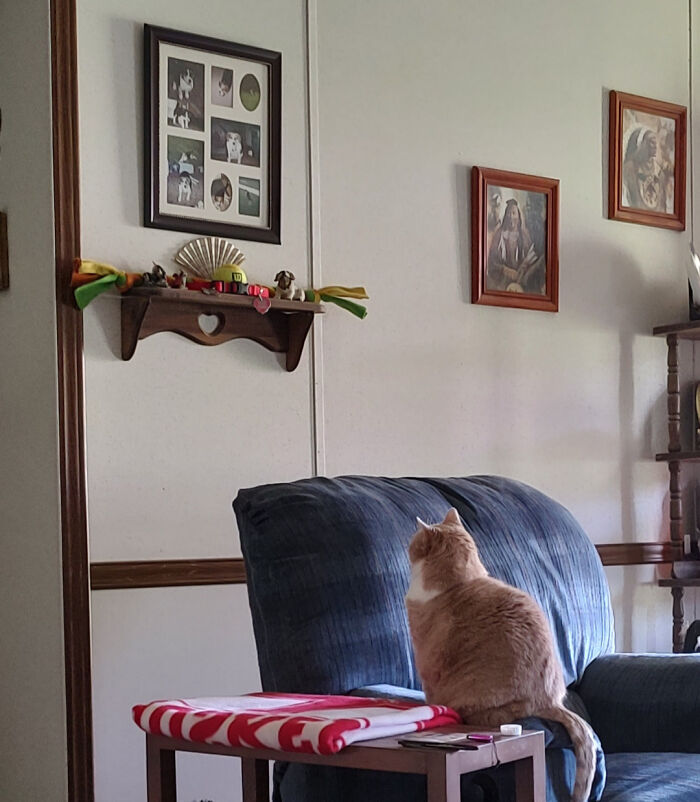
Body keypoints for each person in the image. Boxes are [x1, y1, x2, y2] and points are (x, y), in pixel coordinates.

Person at [486, 198, 541, 294]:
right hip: (502, 282)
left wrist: (522, 270)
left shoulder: (524, 236)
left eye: (513, 213)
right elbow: (492, 262)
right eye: (508, 213)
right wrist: (505, 270)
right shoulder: (499, 236)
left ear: (518, 216)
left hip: (521, 281)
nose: (511, 217)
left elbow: (531, 260)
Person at [622, 125, 673, 213]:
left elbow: (663, 205)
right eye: (651, 142)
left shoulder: (659, 173)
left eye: (655, 143)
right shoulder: (629, 168)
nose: (655, 146)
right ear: (643, 144)